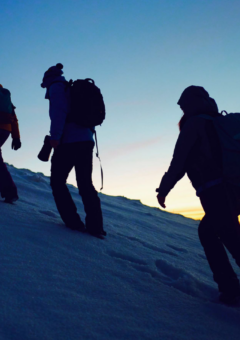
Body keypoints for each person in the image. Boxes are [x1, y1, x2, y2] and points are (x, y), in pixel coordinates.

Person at [156, 86, 240, 304]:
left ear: (192, 103)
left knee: (227, 235)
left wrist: (164, 189)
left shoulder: (194, 124)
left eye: (183, 105)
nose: (182, 109)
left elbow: (179, 163)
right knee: (216, 232)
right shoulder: (220, 122)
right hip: (235, 187)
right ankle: (230, 287)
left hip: (216, 190)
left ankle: (230, 290)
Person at [41, 63, 106, 238]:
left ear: (47, 79)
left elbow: (59, 112)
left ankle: (73, 222)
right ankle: (96, 227)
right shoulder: (72, 89)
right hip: (86, 141)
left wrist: (55, 137)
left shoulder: (56, 87)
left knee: (57, 181)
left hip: (68, 142)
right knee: (85, 183)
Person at [0, 84, 21, 203]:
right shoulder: (6, 99)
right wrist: (16, 137)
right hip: (6, 130)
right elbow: (14, 119)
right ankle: (10, 192)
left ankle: (10, 192)